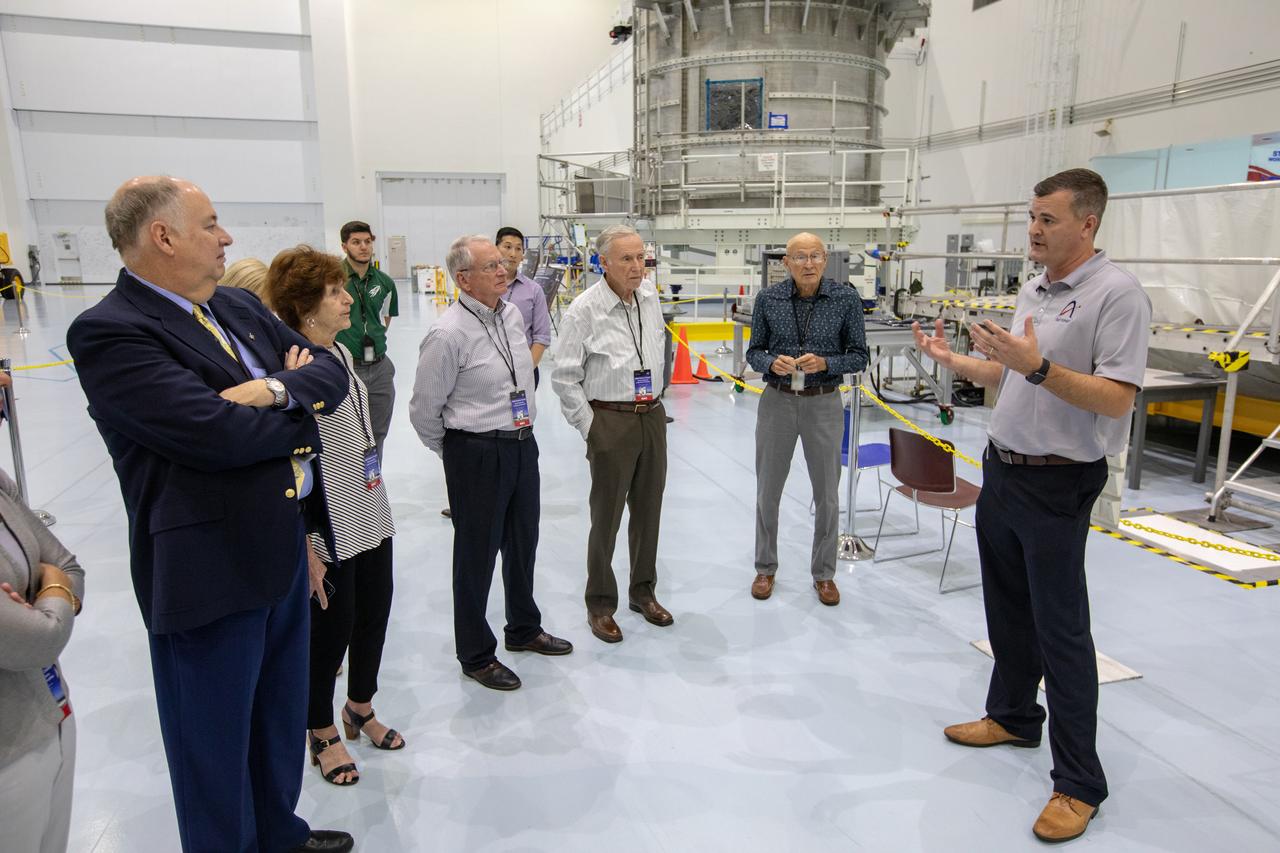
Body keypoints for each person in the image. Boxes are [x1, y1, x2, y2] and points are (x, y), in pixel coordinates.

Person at [66, 176, 354, 853]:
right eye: (211, 224)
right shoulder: (112, 331)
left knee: (277, 721)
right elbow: (211, 434)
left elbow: (330, 373)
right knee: (215, 750)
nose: (226, 237)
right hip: (208, 572)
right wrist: (299, 417)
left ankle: (280, 834)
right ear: (163, 236)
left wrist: (272, 388)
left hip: (280, 553)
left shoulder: (233, 307)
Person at [913, 168, 1151, 844]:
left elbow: (1116, 398)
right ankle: (1014, 714)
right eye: (1032, 217)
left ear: (1087, 223)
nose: (1034, 230)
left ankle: (1078, 782)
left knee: (1062, 630)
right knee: (1007, 609)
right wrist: (956, 360)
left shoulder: (1117, 295)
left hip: (1058, 480)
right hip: (1005, 466)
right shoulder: (1035, 288)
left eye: (1047, 218)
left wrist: (1039, 366)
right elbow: (1009, 370)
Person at [409, 235, 571, 691]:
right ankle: (476, 654)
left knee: (523, 545)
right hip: (476, 451)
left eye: (503, 263)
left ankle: (523, 628)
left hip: (523, 443)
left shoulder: (512, 314)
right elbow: (424, 412)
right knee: (476, 558)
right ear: (463, 279)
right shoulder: (447, 333)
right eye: (491, 266)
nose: (504, 271)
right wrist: (458, 454)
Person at [266, 245, 402, 787]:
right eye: (334, 293)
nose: (348, 299)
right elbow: (286, 459)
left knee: (374, 616)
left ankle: (360, 707)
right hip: (328, 522)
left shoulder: (341, 353)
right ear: (305, 307)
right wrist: (304, 539)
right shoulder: (288, 367)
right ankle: (320, 729)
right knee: (330, 632)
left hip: (370, 506)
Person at [551, 224, 672, 644]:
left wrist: (659, 396)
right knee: (606, 518)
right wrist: (593, 429)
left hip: (651, 415)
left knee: (649, 511)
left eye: (641, 257)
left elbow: (658, 349)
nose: (637, 266)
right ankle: (600, 603)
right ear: (604, 262)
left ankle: (644, 592)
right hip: (611, 421)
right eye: (626, 258)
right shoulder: (584, 310)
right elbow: (564, 378)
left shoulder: (651, 296)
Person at [746, 232, 868, 607]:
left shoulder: (846, 299)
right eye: (800, 257)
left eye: (815, 256)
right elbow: (754, 352)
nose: (808, 263)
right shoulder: (768, 299)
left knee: (827, 494)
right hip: (777, 402)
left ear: (825, 259)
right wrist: (771, 362)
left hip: (824, 403)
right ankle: (765, 567)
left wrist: (827, 363)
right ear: (786, 262)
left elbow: (859, 356)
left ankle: (824, 574)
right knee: (768, 491)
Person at [0, 455, 84, 853]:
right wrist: (51, 590)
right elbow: (39, 639)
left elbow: (68, 566)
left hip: (50, 711)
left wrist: (51, 593)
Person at [337, 220, 398, 466]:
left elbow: (386, 318)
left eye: (368, 241)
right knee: (347, 436)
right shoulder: (334, 280)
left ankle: (373, 482)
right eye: (356, 242)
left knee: (378, 433)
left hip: (379, 367)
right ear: (344, 246)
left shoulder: (384, 282)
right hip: (344, 367)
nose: (363, 247)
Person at [496, 226, 552, 385]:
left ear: (523, 256)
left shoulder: (534, 291)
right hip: (488, 371)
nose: (513, 254)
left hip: (525, 371)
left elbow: (541, 336)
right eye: (507, 247)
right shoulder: (483, 287)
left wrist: (525, 372)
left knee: (522, 411)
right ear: (496, 249)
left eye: (518, 249)